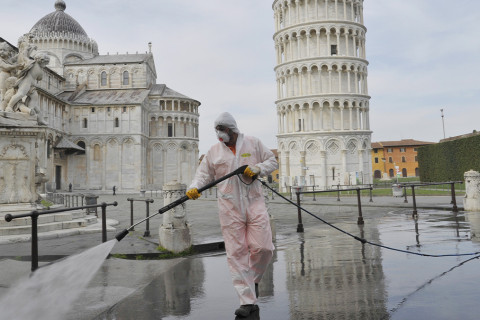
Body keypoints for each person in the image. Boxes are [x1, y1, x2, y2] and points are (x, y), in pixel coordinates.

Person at [186, 112, 278, 317]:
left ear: (232, 129)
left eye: (223, 130)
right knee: (236, 253)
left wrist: (257, 168)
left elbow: (272, 162)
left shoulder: (253, 144)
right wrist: (194, 188)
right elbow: (203, 175)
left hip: (254, 202)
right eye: (217, 130)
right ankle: (247, 301)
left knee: (264, 248)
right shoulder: (214, 152)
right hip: (229, 206)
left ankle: (252, 280)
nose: (220, 134)